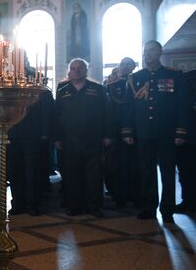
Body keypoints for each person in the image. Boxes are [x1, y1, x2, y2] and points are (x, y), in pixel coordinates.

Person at [122, 41, 187, 222]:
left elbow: (182, 105)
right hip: (144, 132)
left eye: (151, 50)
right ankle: (148, 207)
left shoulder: (173, 75)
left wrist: (181, 131)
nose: (147, 54)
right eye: (145, 51)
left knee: (167, 172)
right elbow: (129, 108)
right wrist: (127, 131)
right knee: (146, 171)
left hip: (167, 132)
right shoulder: (135, 78)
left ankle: (167, 209)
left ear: (160, 52)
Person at [55, 58, 111, 217]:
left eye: (80, 68)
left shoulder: (98, 89)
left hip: (93, 139)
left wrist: (108, 135)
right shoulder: (62, 90)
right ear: (69, 72)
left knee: (94, 176)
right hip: (69, 140)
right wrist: (57, 138)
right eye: (73, 68)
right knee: (72, 175)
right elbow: (56, 116)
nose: (77, 70)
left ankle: (94, 206)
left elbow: (107, 114)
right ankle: (74, 206)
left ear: (86, 71)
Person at [104, 57, 140, 207]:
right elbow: (107, 111)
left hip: (135, 130)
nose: (125, 67)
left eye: (129, 65)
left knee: (133, 164)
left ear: (133, 67)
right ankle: (118, 194)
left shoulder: (138, 83)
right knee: (115, 165)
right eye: (123, 65)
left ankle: (134, 194)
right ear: (118, 67)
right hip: (115, 131)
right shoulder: (111, 86)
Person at [175, 69, 196, 213]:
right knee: (186, 172)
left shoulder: (185, 87)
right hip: (186, 137)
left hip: (187, 138)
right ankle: (188, 201)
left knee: (187, 172)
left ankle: (189, 202)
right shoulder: (186, 84)